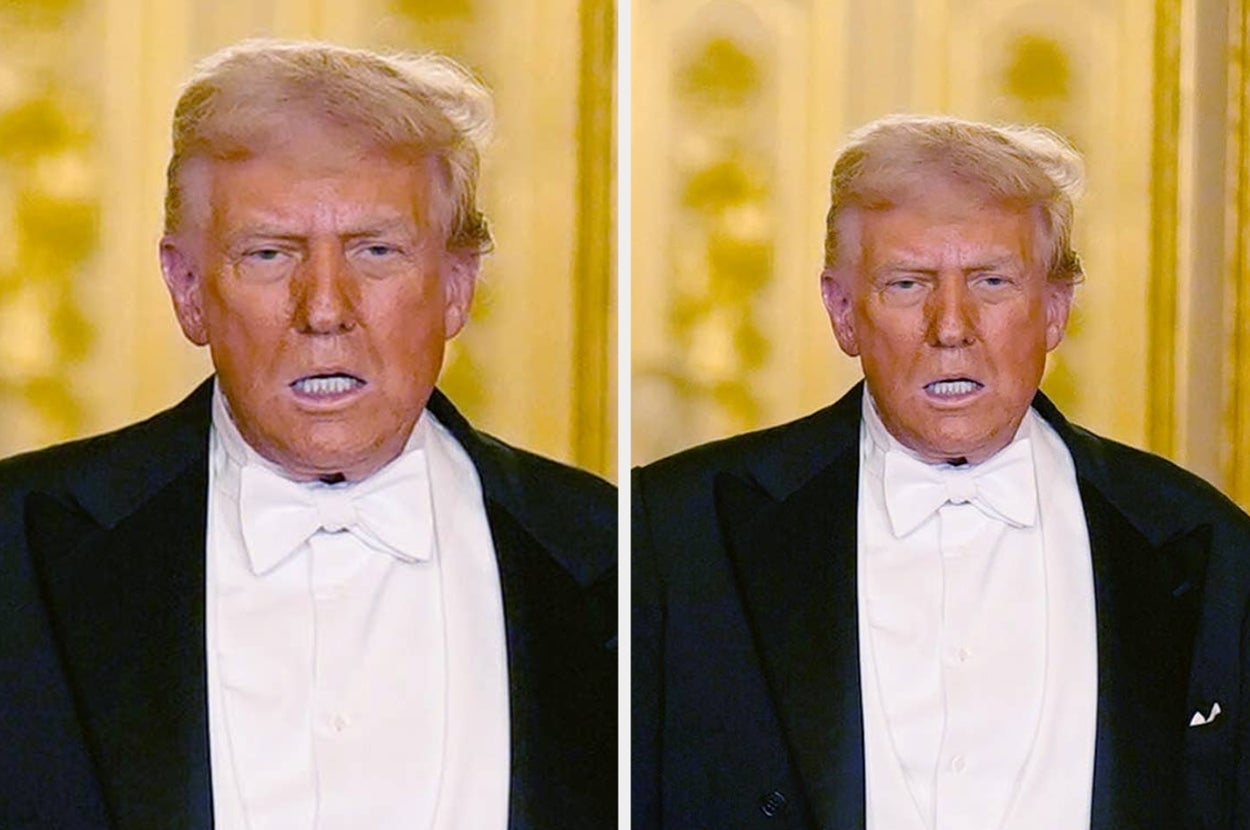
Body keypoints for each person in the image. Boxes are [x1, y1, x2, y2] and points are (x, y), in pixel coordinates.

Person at [0, 39, 615, 829]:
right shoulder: (18, 549)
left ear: (456, 287)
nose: (324, 308)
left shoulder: (613, 557)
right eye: (268, 253)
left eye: (377, 250)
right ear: (188, 289)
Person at [632, 114, 1250, 829]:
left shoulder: (1205, 546)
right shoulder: (677, 532)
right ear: (842, 311)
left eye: (991, 281)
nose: (951, 325)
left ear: (1055, 309)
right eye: (906, 283)